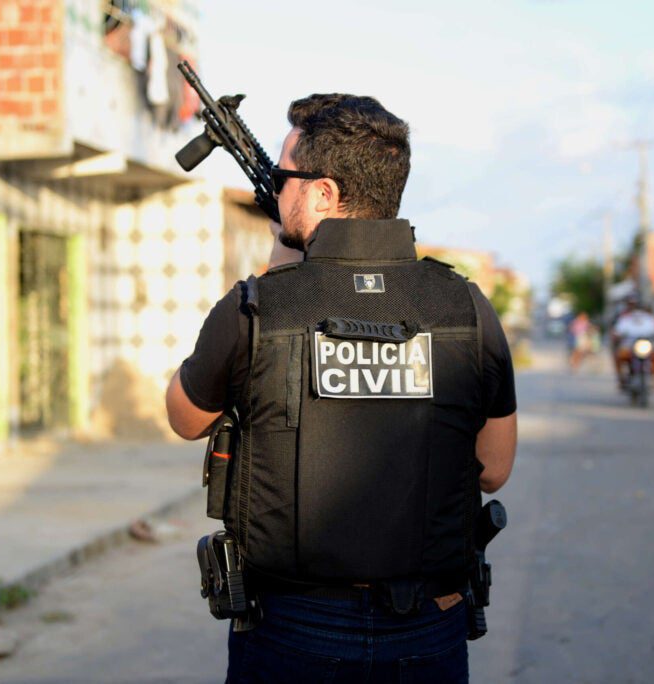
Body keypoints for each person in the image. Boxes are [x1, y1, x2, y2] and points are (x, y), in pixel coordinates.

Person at [165, 93, 517, 682]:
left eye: (284, 179)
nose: (276, 190)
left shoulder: (255, 307)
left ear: (324, 194)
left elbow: (184, 417)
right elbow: (494, 469)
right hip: (427, 626)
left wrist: (280, 266)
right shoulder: (467, 308)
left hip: (292, 627)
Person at [610, 295, 654, 388]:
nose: (632, 306)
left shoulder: (648, 318)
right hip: (629, 346)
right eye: (631, 304)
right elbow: (618, 331)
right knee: (618, 356)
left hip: (644, 345)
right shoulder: (625, 318)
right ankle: (621, 378)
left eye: (634, 304)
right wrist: (617, 336)